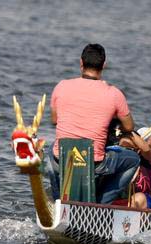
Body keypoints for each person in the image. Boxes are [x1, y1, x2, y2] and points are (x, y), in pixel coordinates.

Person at [48, 43, 140, 204]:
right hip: (94, 163)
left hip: (62, 158)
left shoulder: (61, 86)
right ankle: (101, 205)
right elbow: (129, 127)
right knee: (133, 160)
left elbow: (54, 120)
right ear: (104, 65)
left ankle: (59, 203)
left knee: (51, 152)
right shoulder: (114, 94)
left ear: (81, 63)